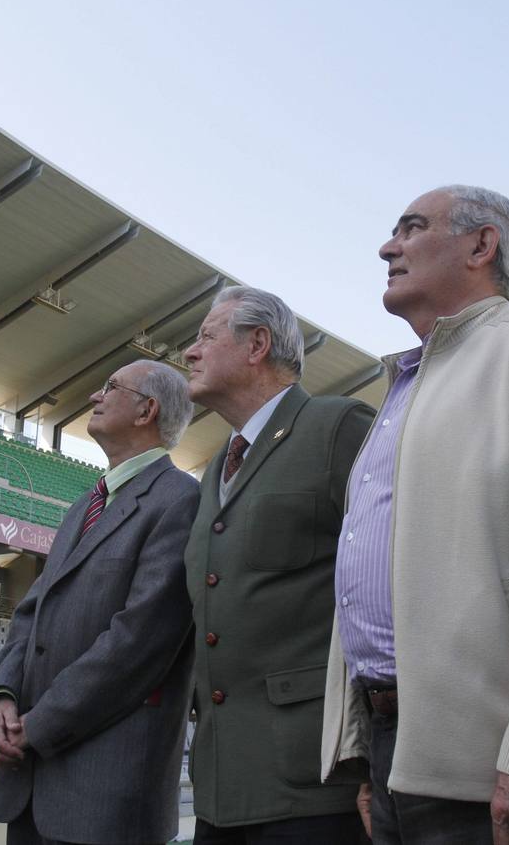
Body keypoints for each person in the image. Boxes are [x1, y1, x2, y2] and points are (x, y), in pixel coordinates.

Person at [318, 186, 509, 844]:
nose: (387, 246)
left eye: (412, 228)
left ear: (482, 245)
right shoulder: (401, 387)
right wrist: (369, 754)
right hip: (398, 751)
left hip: (499, 763)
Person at [182, 285, 375, 844]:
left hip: (317, 787)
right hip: (223, 789)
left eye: (205, 337)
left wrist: (380, 757)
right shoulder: (217, 466)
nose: (190, 353)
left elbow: (388, 585)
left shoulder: (337, 427)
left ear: (257, 344)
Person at [0, 359, 200, 845]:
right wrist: (2, 698)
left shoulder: (181, 500)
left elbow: (136, 644)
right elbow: (31, 613)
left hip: (106, 798)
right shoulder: (86, 503)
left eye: (110, 387)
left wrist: (37, 726)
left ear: (147, 410)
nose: (94, 397)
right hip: (31, 787)